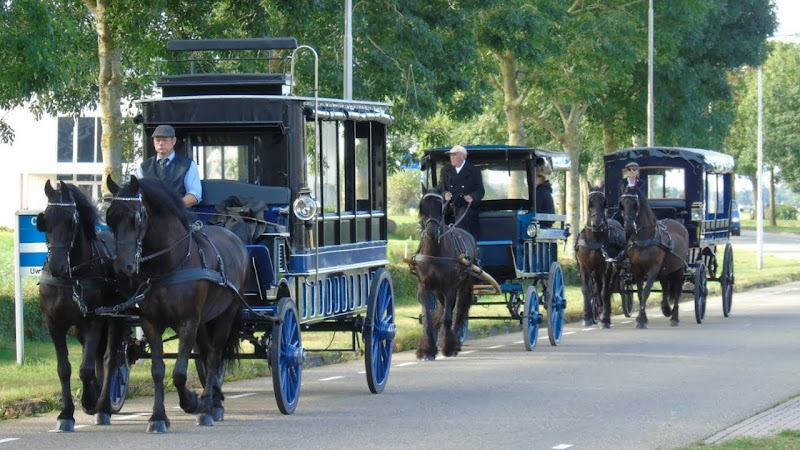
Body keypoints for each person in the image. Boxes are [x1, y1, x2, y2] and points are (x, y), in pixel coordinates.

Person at [136, 125, 202, 207]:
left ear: (174, 141)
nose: (160, 144)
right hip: (150, 217)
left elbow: (195, 195)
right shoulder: (143, 168)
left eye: (165, 140)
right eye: (157, 140)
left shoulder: (188, 165)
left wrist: (173, 207)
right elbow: (136, 194)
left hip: (178, 216)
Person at [437, 144, 484, 239]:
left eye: (455, 155)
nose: (452, 158)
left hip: (466, 208)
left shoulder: (474, 170)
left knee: (463, 224)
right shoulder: (445, 170)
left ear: (463, 156)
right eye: (451, 156)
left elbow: (480, 191)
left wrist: (472, 197)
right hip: (449, 208)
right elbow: (440, 188)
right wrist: (444, 194)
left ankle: (463, 248)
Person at [535, 159, 556, 227]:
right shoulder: (545, 190)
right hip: (546, 225)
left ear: (541, 178)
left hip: (541, 227)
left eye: (535, 176)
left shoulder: (540, 192)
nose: (533, 179)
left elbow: (535, 211)